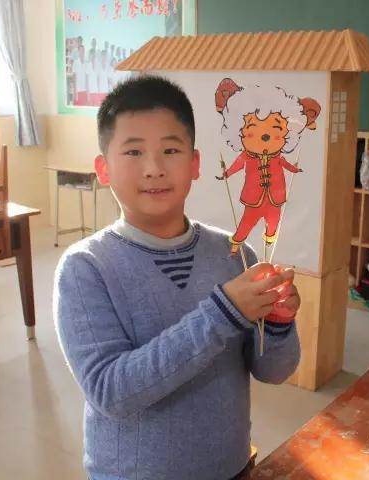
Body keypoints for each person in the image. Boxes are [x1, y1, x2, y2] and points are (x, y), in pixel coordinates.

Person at [54, 75, 301, 480]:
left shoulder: (235, 253)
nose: (154, 169)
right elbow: (110, 393)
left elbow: (273, 371)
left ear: (195, 163)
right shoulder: (85, 268)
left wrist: (278, 322)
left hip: (232, 466)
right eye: (133, 152)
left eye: (170, 150)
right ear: (104, 169)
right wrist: (223, 313)